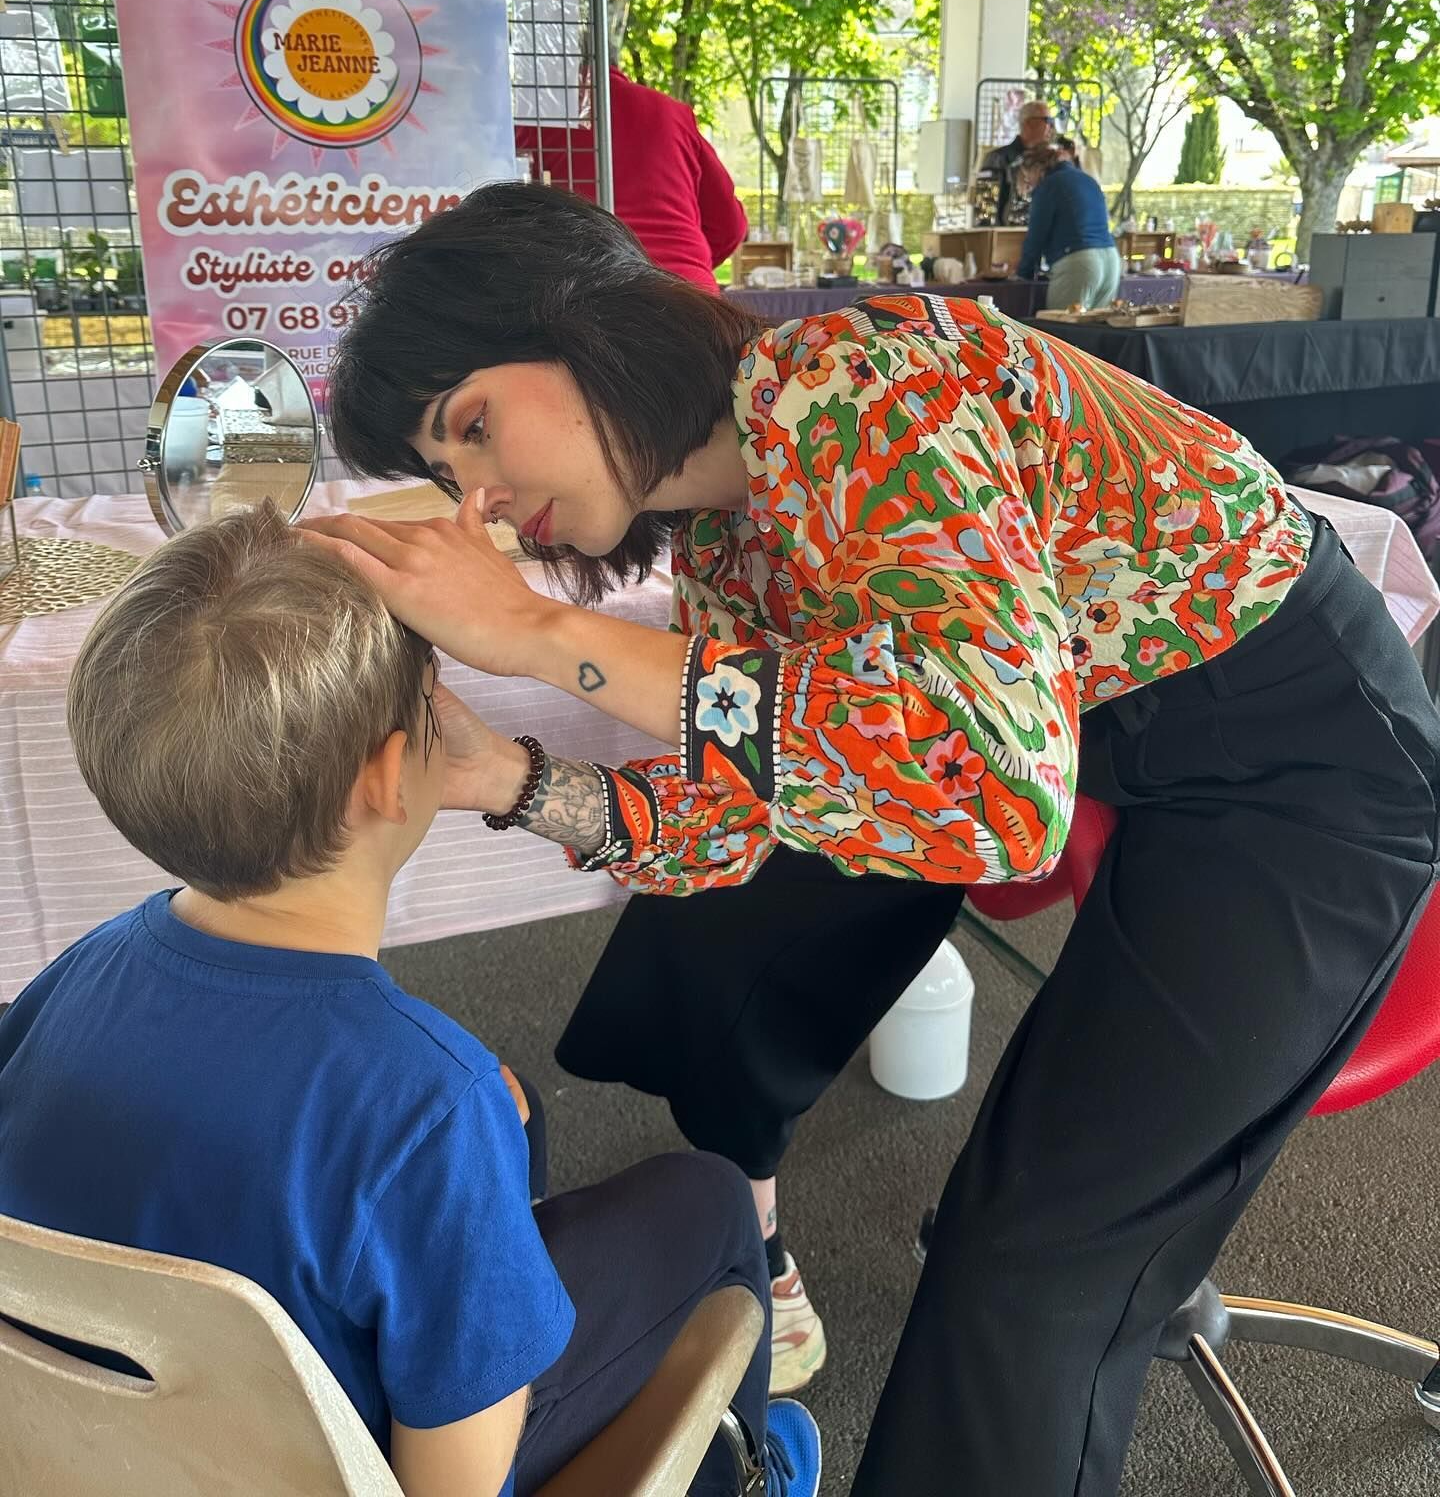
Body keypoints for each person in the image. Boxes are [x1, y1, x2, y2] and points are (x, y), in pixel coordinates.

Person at [307, 181, 1440, 1497]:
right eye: (447, 479)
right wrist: (506, 776)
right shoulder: (738, 539)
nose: (485, 504)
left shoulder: (857, 379)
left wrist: (550, 640)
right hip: (1136, 750)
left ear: (583, 323)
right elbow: (731, 827)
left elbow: (996, 798)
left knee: (1030, 1270)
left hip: (1309, 763)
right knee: (999, 1236)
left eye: (474, 428)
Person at [0, 505, 821, 1497]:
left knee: (509, 1120)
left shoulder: (76, 976)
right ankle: (756, 1469)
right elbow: (453, 1487)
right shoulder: (429, 1103)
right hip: (353, 1461)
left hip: (119, 1453)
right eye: (435, 694)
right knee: (708, 1196)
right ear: (390, 776)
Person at [515, 60, 747, 291]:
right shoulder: (671, 112)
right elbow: (730, 227)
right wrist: (690, 261)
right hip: (688, 295)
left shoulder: (537, 122)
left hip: (586, 295)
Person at [1016, 142, 1123, 310]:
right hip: (1111, 260)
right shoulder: (1088, 180)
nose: (1028, 182)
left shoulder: (1049, 185)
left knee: (1060, 331)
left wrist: (1023, 273)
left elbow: (1036, 237)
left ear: (1037, 168)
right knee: (1097, 331)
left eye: (1027, 175)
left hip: (1080, 264)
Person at [978, 96, 1053, 224]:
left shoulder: (1051, 162)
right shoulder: (997, 159)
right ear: (1029, 123)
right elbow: (985, 210)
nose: (1051, 127)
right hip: (1006, 238)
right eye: (1048, 120)